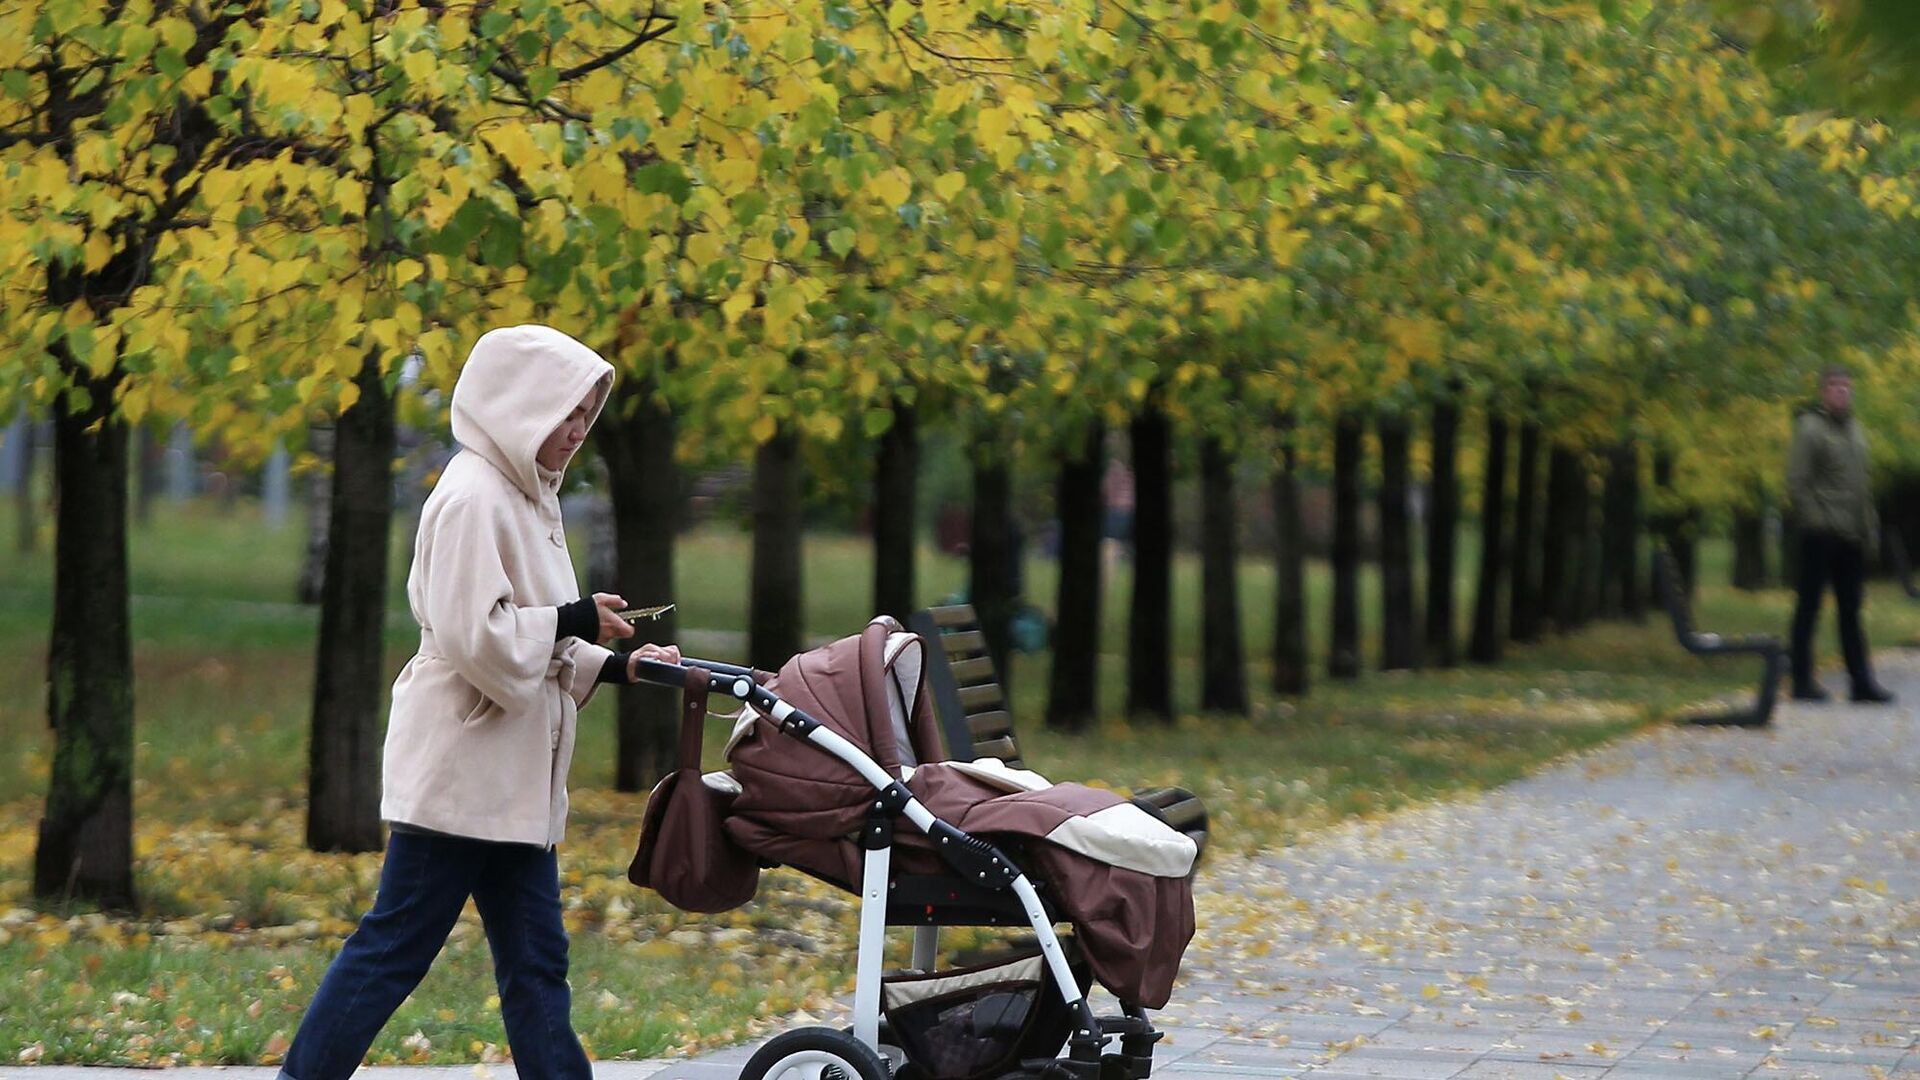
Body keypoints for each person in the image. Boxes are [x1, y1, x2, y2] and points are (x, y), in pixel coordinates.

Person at [279, 325, 681, 1079]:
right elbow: (479, 638)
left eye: (585, 418)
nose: (574, 432)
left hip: (510, 785)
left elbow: (538, 632)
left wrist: (623, 666)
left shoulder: (531, 499)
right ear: (519, 405)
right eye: (564, 413)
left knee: (536, 963)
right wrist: (574, 618)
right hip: (464, 777)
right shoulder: (473, 498)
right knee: (394, 951)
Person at [1786, 365, 1893, 704]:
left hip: (1851, 536)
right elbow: (1797, 483)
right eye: (1834, 386)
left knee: (1851, 610)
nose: (1842, 392)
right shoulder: (1810, 429)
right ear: (1823, 392)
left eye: (1846, 386)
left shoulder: (1855, 432)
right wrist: (1818, 522)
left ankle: (1861, 683)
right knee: (1809, 607)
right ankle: (1802, 681)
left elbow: (1862, 487)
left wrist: (1867, 529)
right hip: (1820, 534)